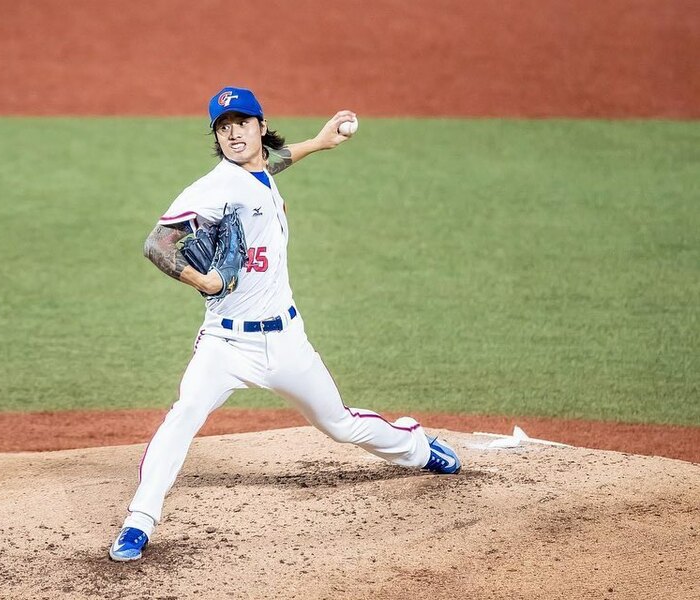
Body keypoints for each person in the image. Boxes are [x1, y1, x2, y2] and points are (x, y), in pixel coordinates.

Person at [109, 86, 461, 562]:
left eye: (241, 123)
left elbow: (268, 166)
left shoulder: (256, 175)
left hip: (287, 341)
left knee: (340, 424)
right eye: (223, 127)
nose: (233, 133)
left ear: (260, 125)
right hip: (226, 343)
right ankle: (139, 522)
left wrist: (319, 143)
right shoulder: (214, 186)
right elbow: (156, 243)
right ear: (217, 136)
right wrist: (204, 281)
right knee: (183, 416)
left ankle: (416, 446)